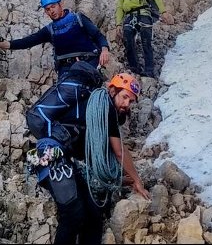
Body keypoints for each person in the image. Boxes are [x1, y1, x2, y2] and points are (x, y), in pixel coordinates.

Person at [25, 65, 150, 244]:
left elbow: (101, 155)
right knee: (73, 213)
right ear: (112, 90)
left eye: (130, 102)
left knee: (93, 212)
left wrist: (122, 179)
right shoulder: (104, 106)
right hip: (53, 154)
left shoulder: (99, 112)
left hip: (64, 159)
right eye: (124, 97)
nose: (126, 105)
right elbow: (119, 152)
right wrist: (137, 180)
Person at [0, 0, 111, 74]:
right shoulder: (49, 31)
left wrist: (104, 50)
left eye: (53, 6)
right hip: (67, 71)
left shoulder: (78, 18)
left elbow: (98, 36)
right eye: (48, 9)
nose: (52, 11)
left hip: (90, 64)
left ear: (60, 4)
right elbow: (25, 42)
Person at [112, 0, 166, 78]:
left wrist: (163, 12)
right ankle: (134, 69)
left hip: (143, 14)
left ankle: (149, 71)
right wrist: (118, 24)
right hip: (130, 16)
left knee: (146, 42)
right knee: (128, 41)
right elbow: (120, 8)